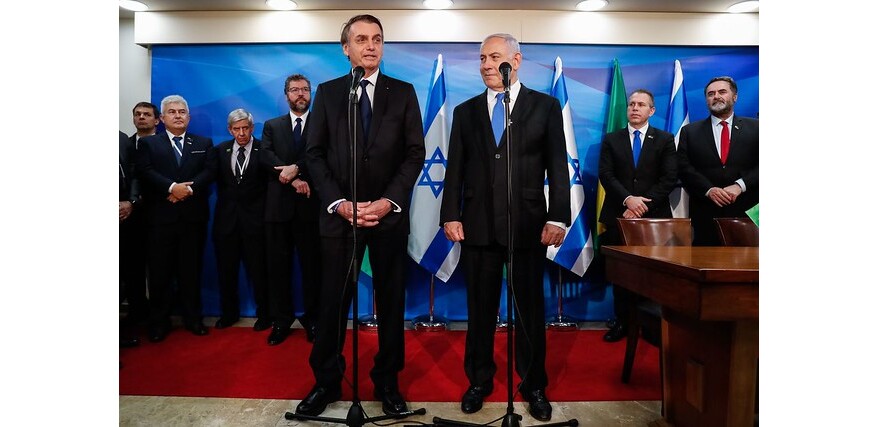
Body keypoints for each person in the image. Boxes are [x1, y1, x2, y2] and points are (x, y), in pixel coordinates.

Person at [295, 14, 425, 417]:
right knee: (333, 302)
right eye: (362, 39)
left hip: (388, 216)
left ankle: (387, 382)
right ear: (345, 48)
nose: (371, 46)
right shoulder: (329, 93)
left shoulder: (402, 92)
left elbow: (414, 153)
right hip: (340, 218)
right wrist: (339, 203)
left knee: (391, 302)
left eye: (377, 39)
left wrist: (388, 201)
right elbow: (314, 153)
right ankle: (326, 381)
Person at [439, 33, 570, 422]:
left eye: (493, 57)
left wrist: (558, 216)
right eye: (481, 58)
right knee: (479, 310)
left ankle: (533, 384)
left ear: (516, 59)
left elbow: (558, 166)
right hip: (477, 226)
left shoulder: (544, 106)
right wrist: (450, 214)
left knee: (529, 310)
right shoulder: (465, 111)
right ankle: (479, 381)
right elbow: (455, 169)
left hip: (528, 225)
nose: (485, 64)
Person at [597, 89, 678, 342]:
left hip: (653, 220)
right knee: (622, 275)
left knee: (651, 275)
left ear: (651, 111)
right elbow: (606, 174)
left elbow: (669, 178)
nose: (634, 108)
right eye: (631, 104)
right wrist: (628, 200)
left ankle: (651, 326)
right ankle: (622, 322)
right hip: (618, 215)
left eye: (641, 104)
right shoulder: (612, 139)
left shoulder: (664, 139)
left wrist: (642, 206)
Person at [136, 94, 216, 342]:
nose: (178, 115)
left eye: (182, 112)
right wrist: (172, 188)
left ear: (188, 117)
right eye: (172, 112)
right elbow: (145, 171)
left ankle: (194, 319)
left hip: (192, 219)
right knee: (160, 274)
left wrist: (187, 190)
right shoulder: (149, 144)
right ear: (162, 118)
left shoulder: (203, 142)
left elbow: (210, 171)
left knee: (191, 272)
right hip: (160, 220)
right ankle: (159, 322)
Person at [261, 74, 322, 345]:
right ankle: (281, 321)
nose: (300, 94)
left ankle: (313, 320)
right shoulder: (272, 126)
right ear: (286, 94)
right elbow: (266, 156)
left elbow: (322, 156)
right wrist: (294, 178)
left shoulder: (322, 123)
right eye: (295, 90)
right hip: (278, 210)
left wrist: (297, 168)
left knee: (313, 270)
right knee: (277, 269)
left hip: (311, 209)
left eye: (305, 89)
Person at [677, 76, 758, 246]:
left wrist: (740, 185)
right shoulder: (690, 132)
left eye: (722, 92)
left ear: (734, 96)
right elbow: (683, 167)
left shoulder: (756, 128)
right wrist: (708, 190)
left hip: (747, 213)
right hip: (706, 215)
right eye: (711, 94)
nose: (716, 96)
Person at [211, 109, 269, 330]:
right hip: (226, 223)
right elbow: (208, 177)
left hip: (256, 223)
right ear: (230, 130)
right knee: (226, 272)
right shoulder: (220, 150)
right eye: (237, 129)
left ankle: (265, 315)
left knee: (260, 272)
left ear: (252, 128)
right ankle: (229, 313)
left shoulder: (265, 149)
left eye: (245, 128)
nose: (242, 133)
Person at [120, 101, 160, 327]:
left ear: (157, 120)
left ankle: (158, 315)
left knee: (159, 269)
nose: (141, 117)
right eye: (137, 114)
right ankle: (137, 314)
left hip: (160, 216)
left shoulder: (165, 144)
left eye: (146, 114)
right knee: (132, 268)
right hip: (130, 219)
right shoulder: (124, 144)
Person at [120, 130, 140, 348]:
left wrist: (130, 201)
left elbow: (133, 173)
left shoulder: (121, 139)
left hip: (123, 216)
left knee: (123, 276)